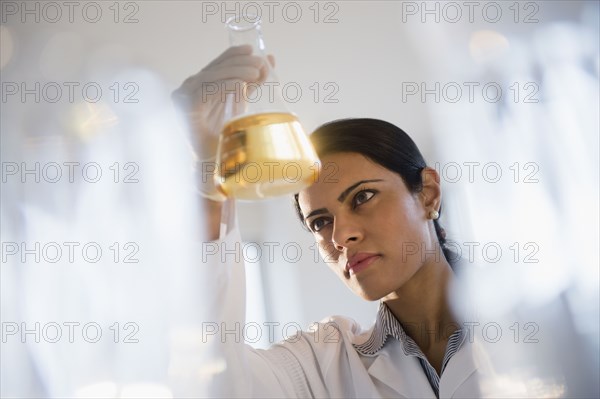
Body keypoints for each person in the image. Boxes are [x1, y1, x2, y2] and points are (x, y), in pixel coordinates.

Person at [172, 45, 492, 398]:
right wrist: (206, 178)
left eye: (363, 197)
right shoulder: (321, 364)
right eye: (321, 222)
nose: (341, 236)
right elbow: (221, 382)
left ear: (428, 194)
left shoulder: (530, 321)